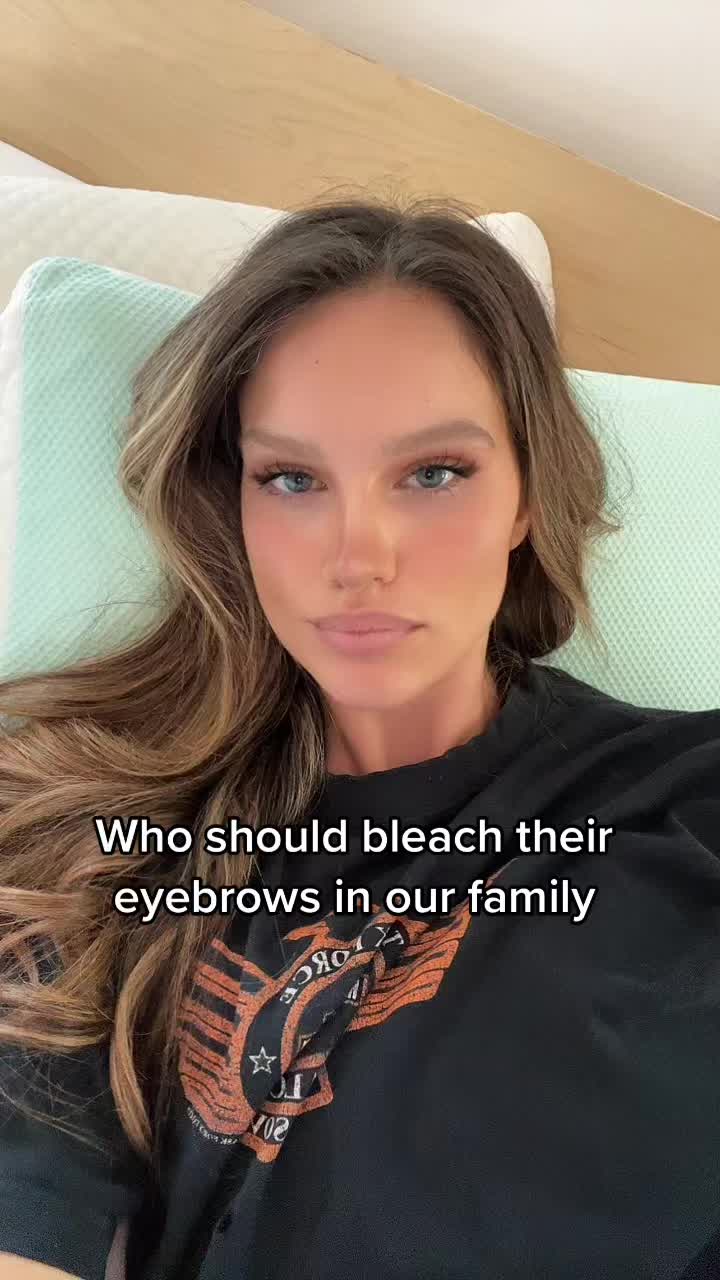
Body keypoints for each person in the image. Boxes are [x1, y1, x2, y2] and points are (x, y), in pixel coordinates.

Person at [0, 192, 718, 1280]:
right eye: (292, 479)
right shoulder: (107, 858)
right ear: (231, 504)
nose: (358, 556)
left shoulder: (686, 797)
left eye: (434, 474)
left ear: (528, 492)